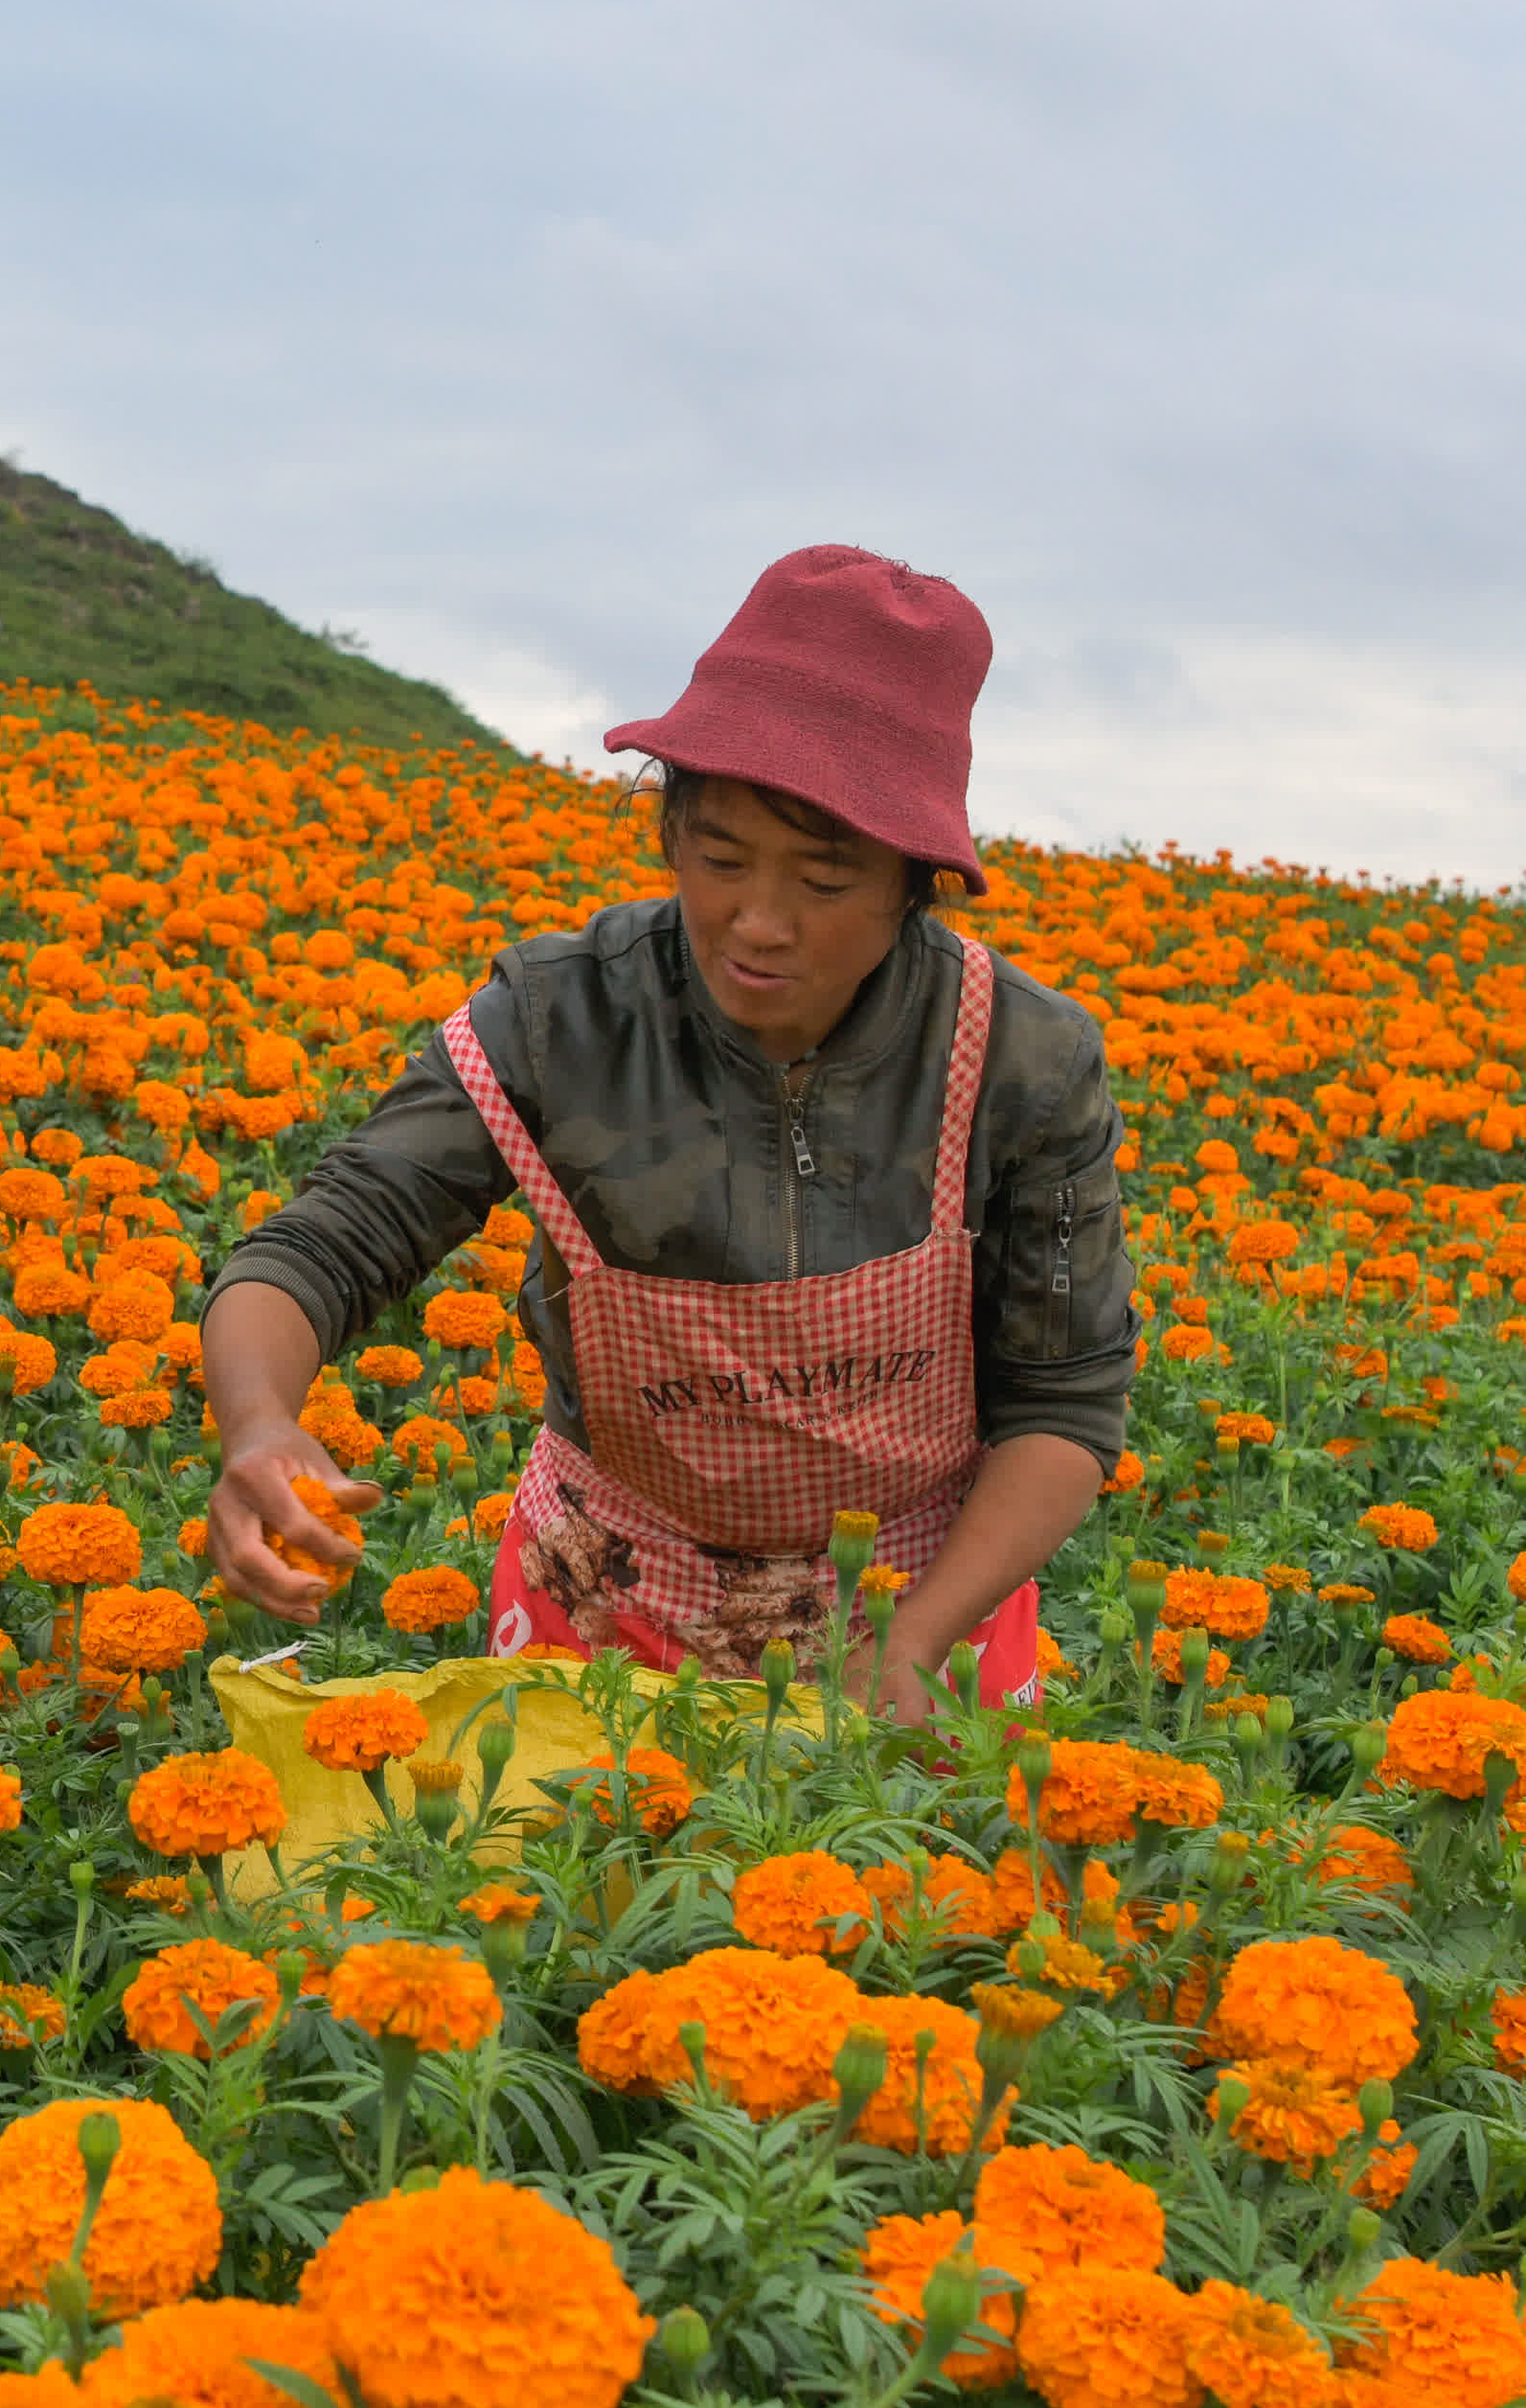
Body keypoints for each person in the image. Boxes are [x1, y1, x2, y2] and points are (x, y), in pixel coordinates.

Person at [200, 545, 1136, 1714]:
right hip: (602, 1600)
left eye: (825, 882)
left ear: (914, 881)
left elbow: (1065, 1407)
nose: (760, 921)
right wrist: (259, 1425)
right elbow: (321, 1247)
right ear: (668, 832)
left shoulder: (1020, 1064)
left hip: (921, 1606)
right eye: (722, 856)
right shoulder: (560, 1022)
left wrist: (916, 1641)